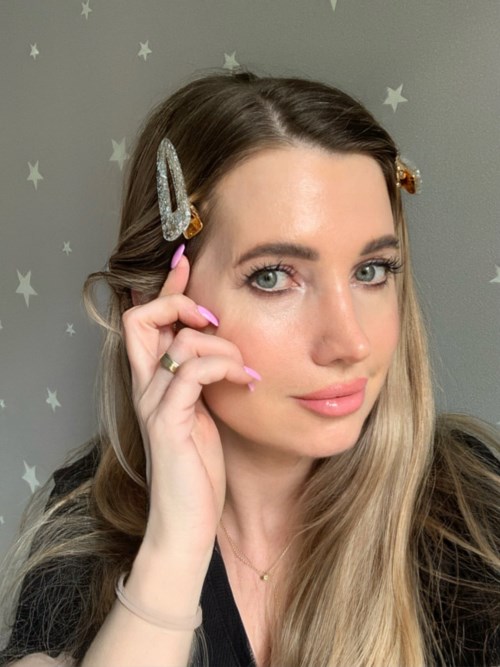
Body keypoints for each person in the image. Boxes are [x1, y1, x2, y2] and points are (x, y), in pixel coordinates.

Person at [0, 70, 499, 667]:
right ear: (161, 306)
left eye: (372, 271)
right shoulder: (81, 524)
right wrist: (174, 548)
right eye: (272, 277)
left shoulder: (471, 511)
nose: (350, 343)